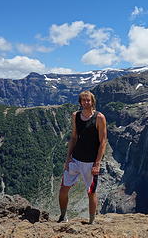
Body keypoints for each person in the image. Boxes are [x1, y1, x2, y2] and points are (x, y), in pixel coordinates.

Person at [58, 90, 107, 224]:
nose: (85, 102)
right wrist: (68, 157)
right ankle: (63, 216)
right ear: (80, 102)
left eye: (88, 100)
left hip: (90, 162)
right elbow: (73, 137)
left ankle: (91, 221)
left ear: (92, 102)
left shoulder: (99, 117)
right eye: (83, 100)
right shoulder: (75, 116)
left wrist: (97, 164)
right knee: (63, 190)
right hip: (75, 159)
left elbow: (103, 141)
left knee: (91, 192)